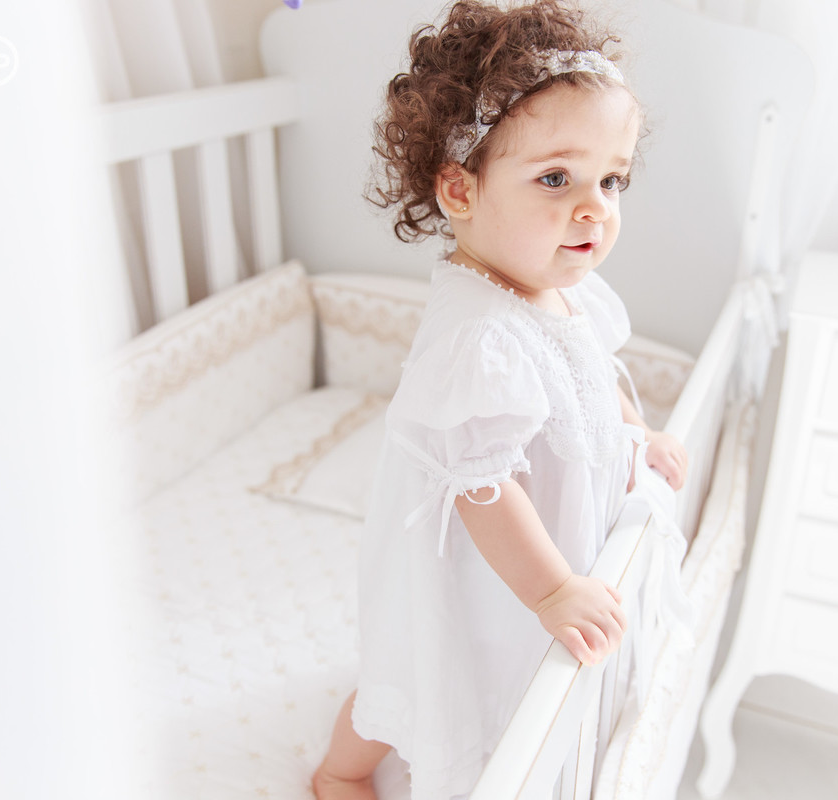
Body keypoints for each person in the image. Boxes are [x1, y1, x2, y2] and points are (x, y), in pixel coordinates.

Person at [312, 2, 688, 798]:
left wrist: (638, 435)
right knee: (420, 673)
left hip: (538, 545)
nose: (595, 207)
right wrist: (552, 590)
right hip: (486, 560)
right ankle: (339, 774)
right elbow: (484, 487)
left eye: (611, 180)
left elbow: (593, 372)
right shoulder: (478, 336)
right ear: (459, 189)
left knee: (496, 668)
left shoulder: (558, 286)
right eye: (556, 178)